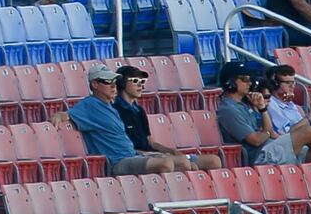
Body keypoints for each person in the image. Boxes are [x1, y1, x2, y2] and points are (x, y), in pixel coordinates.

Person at [66, 64, 209, 176]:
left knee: (184, 162)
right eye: (107, 81)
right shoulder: (89, 105)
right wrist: (60, 116)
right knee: (166, 163)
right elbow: (66, 114)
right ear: (95, 85)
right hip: (117, 162)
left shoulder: (110, 107)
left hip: (133, 156)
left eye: (114, 81)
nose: (113, 85)